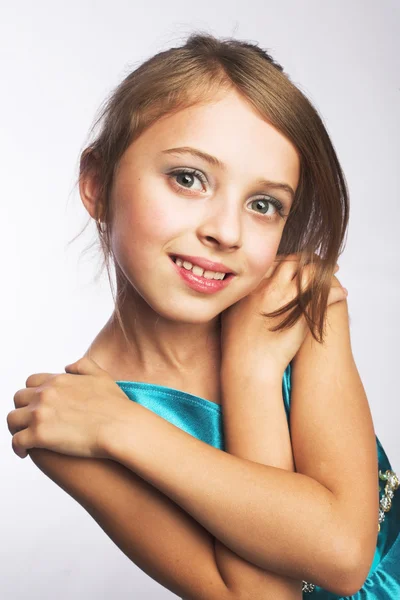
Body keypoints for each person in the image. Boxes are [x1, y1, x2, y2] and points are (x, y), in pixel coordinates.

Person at [8, 33, 399, 599]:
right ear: (97, 184)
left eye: (263, 204)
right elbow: (264, 596)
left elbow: (342, 556)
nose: (226, 231)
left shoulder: (296, 303)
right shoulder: (68, 422)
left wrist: (249, 371)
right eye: (188, 178)